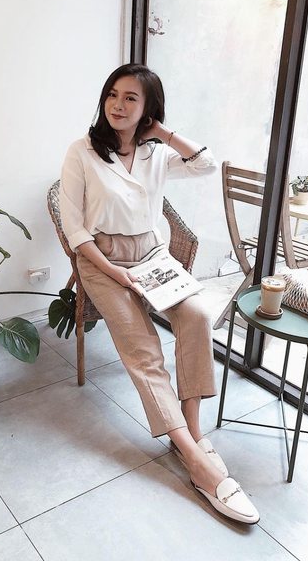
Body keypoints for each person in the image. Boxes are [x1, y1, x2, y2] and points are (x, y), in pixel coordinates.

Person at [59, 63, 259, 525]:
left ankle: (191, 432)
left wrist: (162, 133)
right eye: (112, 94)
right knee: (144, 349)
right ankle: (197, 461)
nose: (117, 105)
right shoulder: (82, 151)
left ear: (149, 107)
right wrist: (115, 272)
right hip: (103, 260)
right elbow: (74, 229)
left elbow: (206, 164)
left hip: (153, 255)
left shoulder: (156, 152)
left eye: (131, 97)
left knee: (197, 316)